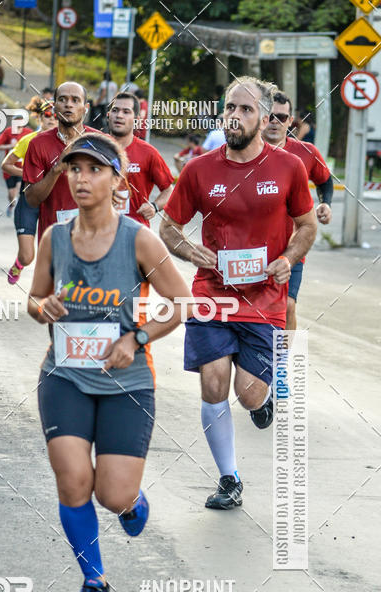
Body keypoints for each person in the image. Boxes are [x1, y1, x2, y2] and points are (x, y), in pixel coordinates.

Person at [28, 134, 191, 592]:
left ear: (118, 181)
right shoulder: (54, 238)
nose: (81, 178)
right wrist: (43, 306)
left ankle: (131, 502)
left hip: (128, 383)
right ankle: (93, 581)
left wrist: (136, 338)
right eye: (74, 169)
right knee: (73, 481)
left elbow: (182, 302)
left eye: (94, 169)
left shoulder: (138, 239)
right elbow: (35, 300)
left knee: (111, 494)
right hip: (65, 377)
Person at [160, 76, 317, 510]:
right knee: (213, 384)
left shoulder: (289, 167)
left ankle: (261, 401)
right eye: (230, 107)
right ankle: (229, 479)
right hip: (213, 294)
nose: (234, 116)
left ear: (264, 119)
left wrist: (288, 258)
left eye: (245, 109)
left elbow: (307, 225)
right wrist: (190, 251)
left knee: (248, 393)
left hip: (264, 298)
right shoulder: (199, 169)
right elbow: (168, 227)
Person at [263, 90, 333, 332]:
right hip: (251, 246)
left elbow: (325, 181)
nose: (275, 122)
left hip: (291, 246)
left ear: (290, 121)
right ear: (262, 118)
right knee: (252, 308)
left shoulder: (306, 152)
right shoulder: (245, 151)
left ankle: (285, 354)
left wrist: (326, 203)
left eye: (282, 117)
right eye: (270, 116)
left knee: (288, 305)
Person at [23, 81, 98, 242]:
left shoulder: (100, 142)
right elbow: (31, 199)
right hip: (54, 240)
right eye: (62, 99)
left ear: (86, 108)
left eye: (75, 100)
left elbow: (117, 191)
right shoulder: (38, 144)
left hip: (94, 239)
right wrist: (57, 168)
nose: (68, 105)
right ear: (55, 106)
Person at [2, 99, 56, 284]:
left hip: (53, 201)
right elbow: (6, 165)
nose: (51, 119)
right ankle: (18, 264)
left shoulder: (66, 142)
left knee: (54, 256)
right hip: (29, 200)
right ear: (40, 117)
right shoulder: (29, 140)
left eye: (56, 116)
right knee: (27, 257)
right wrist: (30, 175)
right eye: (47, 115)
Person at [107, 91, 174, 226]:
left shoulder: (148, 152)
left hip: (135, 230)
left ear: (137, 119)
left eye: (126, 112)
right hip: (100, 230)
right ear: (108, 115)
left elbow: (169, 190)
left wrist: (154, 206)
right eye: (115, 110)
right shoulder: (94, 147)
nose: (119, 115)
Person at [0, 110, 34, 216]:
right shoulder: (8, 132)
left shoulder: (28, 132)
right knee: (11, 193)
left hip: (22, 167)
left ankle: (17, 204)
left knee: (18, 189)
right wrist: (11, 146)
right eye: (16, 119)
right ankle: (11, 204)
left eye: (20, 119)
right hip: (9, 167)